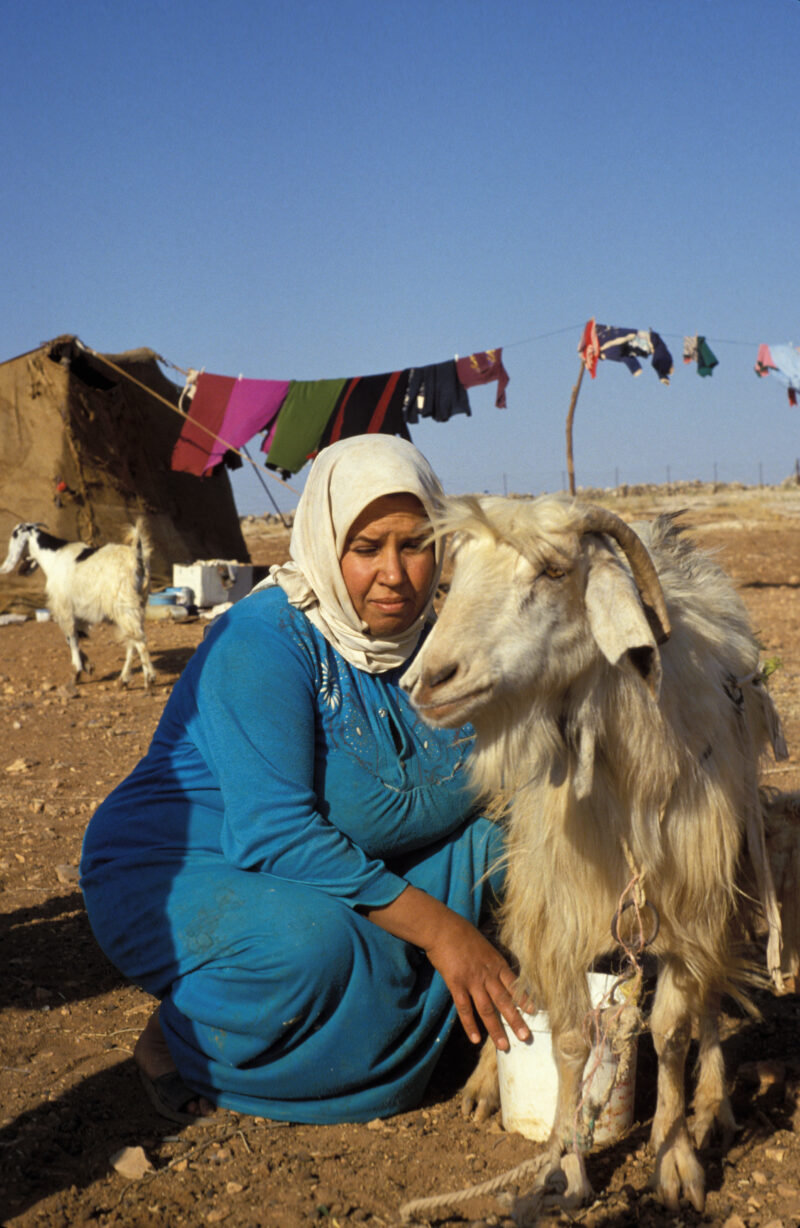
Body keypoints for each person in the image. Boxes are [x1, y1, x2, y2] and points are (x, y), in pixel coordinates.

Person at [80, 434, 530, 1126]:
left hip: (341, 863)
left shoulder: (444, 649)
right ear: (325, 545)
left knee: (513, 848)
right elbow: (277, 835)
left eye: (415, 545)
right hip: (185, 867)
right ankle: (179, 1040)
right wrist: (443, 933)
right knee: (318, 948)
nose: (394, 574)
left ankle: (383, 1018)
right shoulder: (264, 640)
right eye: (366, 548)